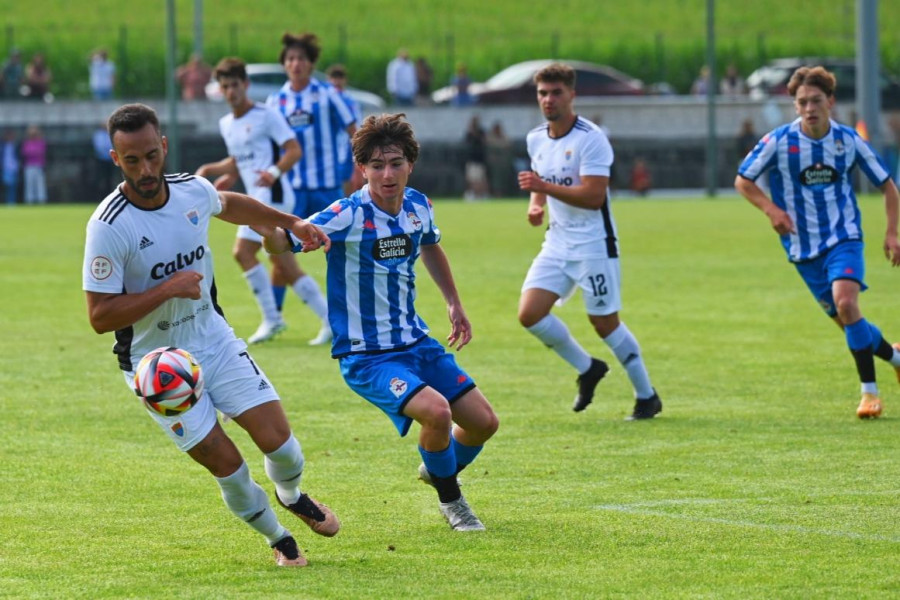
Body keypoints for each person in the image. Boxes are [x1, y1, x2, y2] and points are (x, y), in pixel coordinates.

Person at [82, 103, 338, 568]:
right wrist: (168, 289)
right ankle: (280, 540)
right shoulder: (107, 226)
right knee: (230, 469)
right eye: (132, 160)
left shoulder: (192, 191)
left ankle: (291, 493)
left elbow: (231, 204)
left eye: (150, 155)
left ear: (163, 146)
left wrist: (288, 222)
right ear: (116, 159)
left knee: (284, 447)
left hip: (212, 339)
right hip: (155, 366)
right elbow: (99, 316)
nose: (145, 169)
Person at [261, 113, 499, 531]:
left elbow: (431, 247)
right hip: (368, 356)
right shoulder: (347, 214)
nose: (386, 174)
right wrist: (271, 232)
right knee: (437, 413)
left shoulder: (418, 206)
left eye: (395, 163)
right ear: (362, 169)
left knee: (483, 423)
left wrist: (453, 303)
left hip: (416, 342)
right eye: (375, 165)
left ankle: (437, 468)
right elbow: (289, 239)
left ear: (410, 163)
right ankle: (453, 500)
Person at [735, 66, 900, 420]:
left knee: (846, 302)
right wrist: (770, 210)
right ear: (795, 106)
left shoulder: (848, 140)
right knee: (848, 320)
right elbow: (743, 180)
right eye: (802, 102)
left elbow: (888, 185)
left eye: (816, 101)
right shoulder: (779, 141)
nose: (809, 108)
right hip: (802, 248)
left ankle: (869, 394)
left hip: (844, 237)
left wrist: (891, 233)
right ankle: (897, 358)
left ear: (831, 102)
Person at [517, 63, 661, 419]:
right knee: (530, 314)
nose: (548, 100)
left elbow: (594, 196)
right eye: (542, 93)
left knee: (604, 323)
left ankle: (647, 396)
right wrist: (537, 206)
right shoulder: (536, 138)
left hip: (595, 245)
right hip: (557, 242)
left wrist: (542, 190)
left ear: (572, 95)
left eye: (556, 93)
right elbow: (539, 179)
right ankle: (587, 368)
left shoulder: (591, 138)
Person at [195, 57, 311, 345]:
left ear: (245, 85)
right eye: (225, 87)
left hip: (274, 194)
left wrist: (272, 173)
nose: (231, 91)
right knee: (285, 265)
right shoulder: (226, 124)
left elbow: (293, 150)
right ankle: (326, 320)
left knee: (242, 252)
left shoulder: (266, 114)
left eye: (235, 85)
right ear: (220, 90)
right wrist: (218, 173)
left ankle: (272, 318)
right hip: (255, 194)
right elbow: (239, 159)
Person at [265, 32, 358, 346]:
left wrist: (360, 167)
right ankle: (273, 317)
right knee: (279, 249)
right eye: (290, 59)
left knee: (340, 256)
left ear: (310, 63)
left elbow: (353, 130)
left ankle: (342, 321)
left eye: (301, 59)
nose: (296, 64)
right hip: (292, 190)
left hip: (327, 187)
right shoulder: (275, 101)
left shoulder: (327, 94)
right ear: (285, 64)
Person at [326, 63, 365, 196]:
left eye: (339, 78)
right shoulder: (325, 99)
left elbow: (357, 125)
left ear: (344, 80)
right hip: (330, 148)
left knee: (347, 182)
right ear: (328, 80)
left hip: (346, 149)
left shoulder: (350, 101)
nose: (336, 81)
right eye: (334, 78)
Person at [462, 115, 488, 200]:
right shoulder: (469, 133)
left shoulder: (481, 132)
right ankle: (473, 194)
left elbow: (484, 142)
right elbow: (466, 144)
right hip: (471, 159)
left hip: (480, 159)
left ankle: (481, 195)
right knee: (472, 179)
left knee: (480, 179)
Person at [485, 121, 513, 197]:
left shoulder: (503, 136)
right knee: (495, 180)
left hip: (503, 164)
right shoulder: (490, 137)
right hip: (494, 164)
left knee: (504, 179)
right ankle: (496, 193)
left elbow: (508, 144)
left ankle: (503, 193)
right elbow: (492, 144)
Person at [21, 125, 47, 204]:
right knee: (29, 184)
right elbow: (25, 153)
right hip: (29, 166)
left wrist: (33, 152)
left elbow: (41, 152)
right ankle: (29, 201)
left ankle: (41, 200)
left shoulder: (41, 142)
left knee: (39, 184)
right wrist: (34, 152)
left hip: (39, 166)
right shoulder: (26, 143)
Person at [92, 122, 116, 199]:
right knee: (101, 179)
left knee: (110, 179)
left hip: (111, 160)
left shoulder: (111, 134)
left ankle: (110, 195)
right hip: (101, 160)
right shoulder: (98, 134)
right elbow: (99, 147)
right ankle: (100, 196)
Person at [2, 130, 18, 205]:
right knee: (5, 186)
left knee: (12, 187)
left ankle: (11, 202)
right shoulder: (3, 146)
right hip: (5, 169)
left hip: (13, 169)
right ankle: (5, 201)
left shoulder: (15, 146)